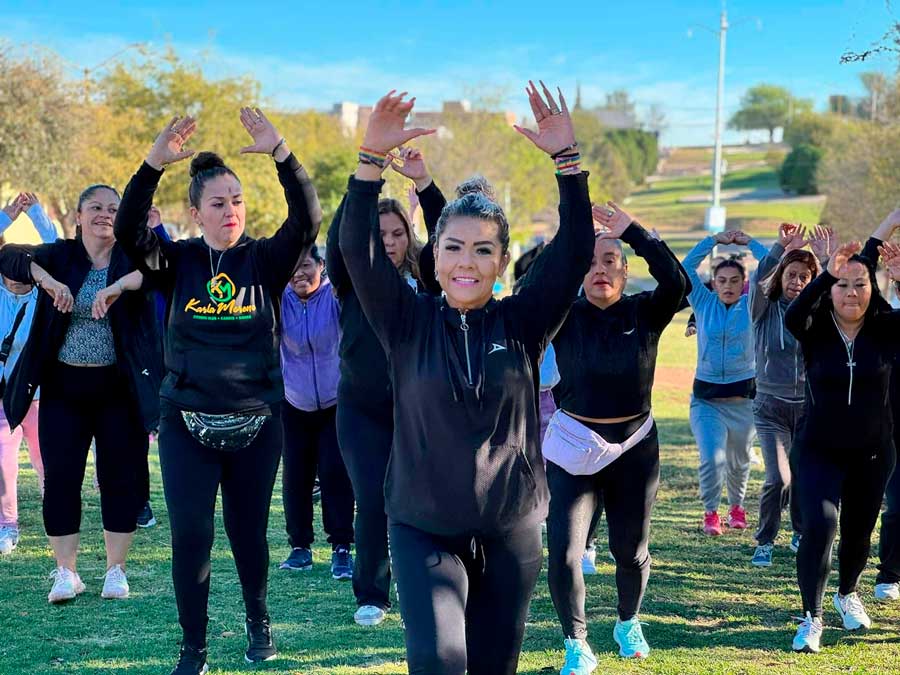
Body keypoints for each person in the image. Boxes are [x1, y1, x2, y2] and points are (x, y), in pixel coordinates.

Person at [339, 83, 593, 675]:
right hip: (424, 527)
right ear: (434, 257)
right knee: (439, 663)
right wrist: (369, 161)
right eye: (453, 248)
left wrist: (568, 164)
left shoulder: (524, 320)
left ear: (502, 261)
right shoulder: (405, 320)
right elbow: (357, 247)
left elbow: (575, 249)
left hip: (512, 529)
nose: (465, 263)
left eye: (482, 251)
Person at [113, 110, 321, 675]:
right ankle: (194, 648)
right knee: (192, 537)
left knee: (247, 533)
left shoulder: (264, 259)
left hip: (257, 422)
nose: (230, 211)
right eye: (218, 203)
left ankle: (259, 620)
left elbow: (306, 220)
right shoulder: (175, 262)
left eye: (237, 200)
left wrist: (280, 150)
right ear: (195, 212)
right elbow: (128, 232)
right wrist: (154, 162)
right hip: (186, 422)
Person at [0, 184, 161, 604]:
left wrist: (118, 286)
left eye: (112, 208)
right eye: (95, 208)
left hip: (118, 390)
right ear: (78, 215)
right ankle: (65, 573)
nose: (104, 215)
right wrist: (46, 278)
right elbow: (8, 256)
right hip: (63, 390)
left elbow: (161, 269)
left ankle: (115, 571)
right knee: (61, 481)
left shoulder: (130, 255)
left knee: (119, 479)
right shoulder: (60, 255)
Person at [544, 202, 686, 671]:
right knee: (564, 552)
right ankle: (576, 642)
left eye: (610, 260)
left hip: (634, 449)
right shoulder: (561, 314)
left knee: (630, 550)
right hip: (573, 448)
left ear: (625, 271)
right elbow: (533, 285)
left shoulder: (645, 311)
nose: (599, 269)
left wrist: (633, 232)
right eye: (589, 261)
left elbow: (679, 283)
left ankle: (628, 621)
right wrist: (570, 238)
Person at [325, 145, 445, 627]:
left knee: (422, 498)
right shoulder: (351, 280)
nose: (390, 241)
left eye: (398, 233)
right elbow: (339, 241)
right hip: (361, 411)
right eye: (380, 234)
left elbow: (444, 236)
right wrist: (364, 177)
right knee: (373, 497)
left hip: (418, 410)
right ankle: (372, 592)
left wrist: (423, 182)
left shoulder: (429, 280)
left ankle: (431, 578)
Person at [785, 240, 899, 653]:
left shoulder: (886, 329)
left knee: (858, 533)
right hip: (819, 449)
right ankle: (811, 617)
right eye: (842, 284)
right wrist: (826, 273)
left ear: (874, 289)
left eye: (861, 284)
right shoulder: (813, 330)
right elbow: (795, 313)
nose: (852, 292)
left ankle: (847, 592)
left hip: (873, 452)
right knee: (820, 526)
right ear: (830, 289)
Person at [278, 243, 355, 580]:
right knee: (296, 475)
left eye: (306, 265)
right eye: (292, 267)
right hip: (294, 402)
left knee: (335, 473)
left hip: (335, 401)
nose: (299, 273)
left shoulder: (334, 297)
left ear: (321, 265)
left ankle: (341, 547)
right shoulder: (279, 298)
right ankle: (300, 547)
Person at [683, 230, 767, 535]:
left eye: (734, 281)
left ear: (743, 283)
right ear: (714, 283)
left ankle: (737, 508)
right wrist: (712, 240)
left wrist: (748, 243)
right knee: (712, 459)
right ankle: (710, 512)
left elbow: (772, 265)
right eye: (722, 281)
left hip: (744, 401)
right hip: (706, 401)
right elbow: (686, 267)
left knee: (739, 462)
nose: (728, 286)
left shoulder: (753, 305)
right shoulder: (703, 303)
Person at [748, 223, 822, 567]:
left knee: (802, 477)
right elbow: (760, 279)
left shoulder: (817, 314)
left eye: (804, 277)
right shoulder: (764, 309)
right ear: (782, 276)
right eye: (791, 275)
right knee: (778, 478)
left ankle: (799, 530)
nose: (796, 282)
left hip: (808, 408)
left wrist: (824, 257)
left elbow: (830, 293)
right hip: (770, 407)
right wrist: (779, 248)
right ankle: (764, 540)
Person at [0, 192, 58, 555]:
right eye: (12, 276)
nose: (19, 282)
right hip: (3, 394)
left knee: (46, 459)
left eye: (26, 275)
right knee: (4, 461)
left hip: (38, 392)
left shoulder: (44, 294)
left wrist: (36, 213)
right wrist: (8, 215)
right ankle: (8, 525)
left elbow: (57, 246)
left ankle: (56, 510)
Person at [859, 210, 900, 602]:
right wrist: (888, 222)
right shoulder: (886, 322)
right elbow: (861, 277)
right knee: (898, 507)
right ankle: (889, 574)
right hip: (892, 431)